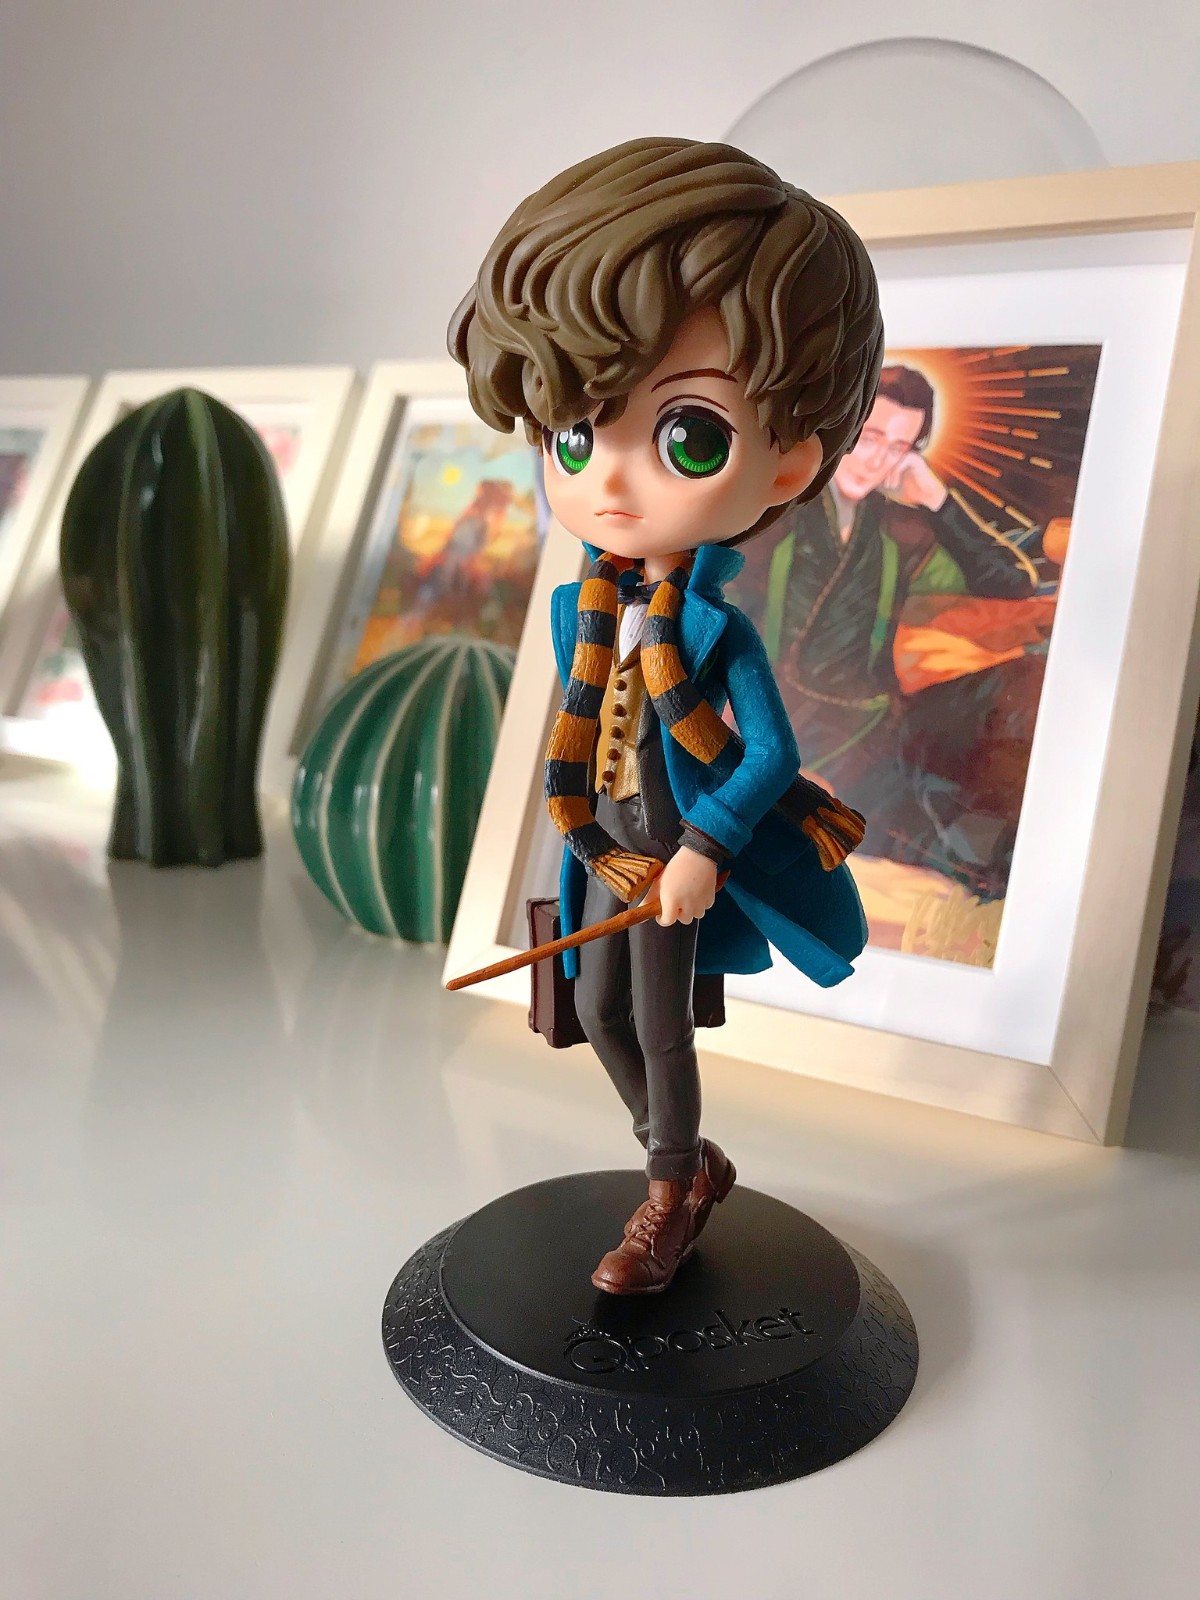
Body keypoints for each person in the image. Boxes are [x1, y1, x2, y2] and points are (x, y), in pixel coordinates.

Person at [449, 136, 883, 1294]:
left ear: (787, 465)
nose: (607, 479)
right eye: (575, 434)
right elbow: (582, 737)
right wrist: (582, 836)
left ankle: (666, 1193)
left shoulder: (714, 630)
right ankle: (684, 1164)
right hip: (607, 846)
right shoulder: (577, 611)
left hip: (675, 852)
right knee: (593, 1007)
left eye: (687, 435)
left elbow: (769, 754)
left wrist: (703, 849)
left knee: (658, 1019)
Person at [729, 364, 1039, 859]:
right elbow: (721, 621)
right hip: (768, 719)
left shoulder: (901, 530)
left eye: (898, 447)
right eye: (869, 437)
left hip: (869, 726)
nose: (876, 460)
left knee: (955, 846)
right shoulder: (776, 510)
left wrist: (937, 500)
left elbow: (1012, 585)